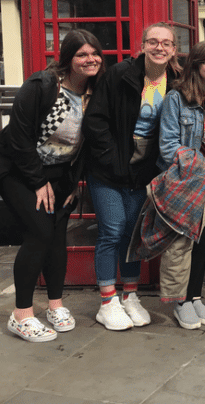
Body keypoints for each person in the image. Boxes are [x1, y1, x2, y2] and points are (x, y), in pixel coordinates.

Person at [1, 30, 105, 342]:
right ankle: (21, 315)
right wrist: (37, 180)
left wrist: (72, 183)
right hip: (20, 170)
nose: (90, 60)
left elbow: (85, 144)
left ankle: (55, 305)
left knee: (57, 236)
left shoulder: (94, 91)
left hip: (60, 175)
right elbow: (18, 138)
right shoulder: (44, 85)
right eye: (81, 55)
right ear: (68, 59)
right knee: (39, 233)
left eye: (94, 53)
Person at [84, 22, 181, 331]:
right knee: (112, 231)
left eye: (166, 43)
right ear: (142, 46)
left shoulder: (176, 81)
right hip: (108, 171)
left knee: (132, 235)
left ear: (174, 49)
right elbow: (96, 121)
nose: (159, 48)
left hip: (142, 173)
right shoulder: (119, 75)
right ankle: (107, 300)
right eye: (153, 42)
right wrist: (114, 162)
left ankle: (130, 295)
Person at [155, 40, 205, 329]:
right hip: (186, 178)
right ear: (196, 65)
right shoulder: (178, 98)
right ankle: (181, 301)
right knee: (185, 240)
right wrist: (198, 167)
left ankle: (195, 296)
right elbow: (167, 146)